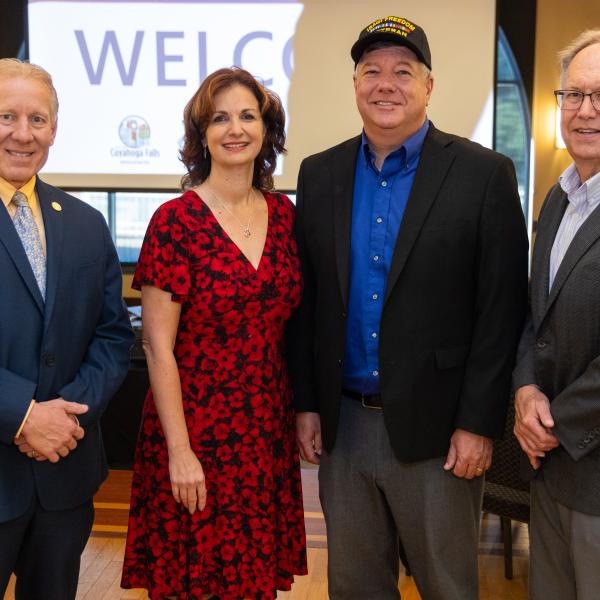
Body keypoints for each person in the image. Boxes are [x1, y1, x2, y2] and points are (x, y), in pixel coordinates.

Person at [288, 16, 529, 600]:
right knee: (356, 587)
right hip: (344, 430)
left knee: (447, 585)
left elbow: (501, 313)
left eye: (403, 71)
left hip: (440, 433)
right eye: (371, 71)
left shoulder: (483, 174)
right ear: (354, 84)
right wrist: (306, 405)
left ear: (429, 86)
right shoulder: (319, 174)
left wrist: (477, 424)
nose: (385, 84)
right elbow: (308, 301)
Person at [121, 67, 307, 600]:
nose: (235, 128)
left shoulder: (283, 214)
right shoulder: (174, 221)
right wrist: (180, 452)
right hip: (195, 431)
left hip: (263, 432)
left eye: (248, 116)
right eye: (219, 118)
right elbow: (158, 348)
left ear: (266, 131)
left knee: (251, 581)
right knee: (194, 580)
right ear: (201, 135)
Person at [0, 58, 133, 600]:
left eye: (38, 119)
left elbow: (112, 336)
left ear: (55, 127)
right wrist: (25, 416)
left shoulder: (83, 221)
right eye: (7, 116)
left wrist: (65, 419)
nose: (23, 134)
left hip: (66, 477)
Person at [512, 30, 600, 600]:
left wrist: (551, 423)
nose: (585, 111)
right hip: (547, 471)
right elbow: (532, 313)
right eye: (574, 95)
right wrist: (523, 390)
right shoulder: (555, 196)